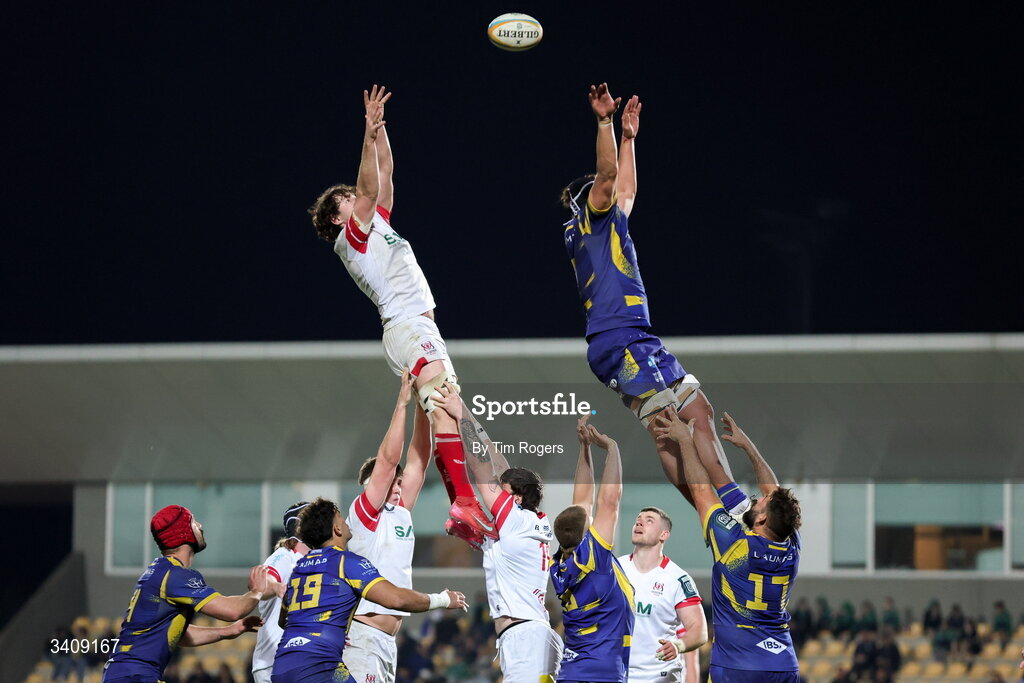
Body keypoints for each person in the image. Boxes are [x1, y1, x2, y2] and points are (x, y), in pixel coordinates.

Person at [306, 85, 492, 541]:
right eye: (346, 199)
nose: (356, 198)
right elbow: (369, 185)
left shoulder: (377, 225)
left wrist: (379, 133)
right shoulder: (351, 237)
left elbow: (384, 172)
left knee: (441, 407)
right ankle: (465, 502)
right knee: (447, 399)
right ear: (336, 216)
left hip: (415, 327)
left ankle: (462, 505)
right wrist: (364, 135)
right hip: (407, 326)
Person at [560, 82, 750, 521]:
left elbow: (624, 191)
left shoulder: (606, 225)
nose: (610, 195)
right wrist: (605, 122)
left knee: (695, 407)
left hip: (638, 337)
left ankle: (734, 501)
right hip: (616, 342)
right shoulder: (588, 221)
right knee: (667, 427)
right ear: (585, 199)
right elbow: (609, 180)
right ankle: (713, 514)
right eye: (599, 190)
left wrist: (629, 140)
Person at [654, 409, 802, 683]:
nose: (756, 499)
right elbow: (775, 492)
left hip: (738, 665)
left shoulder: (733, 544)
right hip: (783, 664)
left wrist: (686, 441)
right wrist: (748, 447)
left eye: (760, 502)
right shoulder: (791, 545)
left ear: (763, 518)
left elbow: (700, 491)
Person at [432, 385, 563, 682]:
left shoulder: (514, 521)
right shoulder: (530, 522)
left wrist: (459, 414)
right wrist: (465, 409)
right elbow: (499, 464)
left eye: (502, 494)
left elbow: (481, 467)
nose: (493, 503)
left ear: (515, 498)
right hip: (532, 632)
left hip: (524, 637)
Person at [271, 498, 468, 683]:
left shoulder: (300, 567)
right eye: (340, 516)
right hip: (319, 664)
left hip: (283, 664)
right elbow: (396, 599)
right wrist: (442, 600)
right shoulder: (346, 562)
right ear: (336, 528)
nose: (346, 521)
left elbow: (283, 620)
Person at [102, 505, 280, 683]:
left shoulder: (159, 571)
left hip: (124, 672)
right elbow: (232, 610)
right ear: (183, 533)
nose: (200, 525)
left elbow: (178, 634)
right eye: (193, 521)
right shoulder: (176, 575)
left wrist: (228, 630)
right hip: (135, 675)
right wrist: (258, 591)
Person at [344, 372, 434, 683]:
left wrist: (424, 408)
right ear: (371, 485)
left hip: (383, 643)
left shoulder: (398, 514)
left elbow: (420, 460)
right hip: (361, 638)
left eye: (399, 481)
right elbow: (387, 459)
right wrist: (403, 403)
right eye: (392, 481)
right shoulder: (365, 514)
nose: (399, 485)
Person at [550, 417, 634, 683]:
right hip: (604, 671)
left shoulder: (560, 563)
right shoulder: (594, 558)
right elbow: (609, 502)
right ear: (587, 534)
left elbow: (582, 503)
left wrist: (584, 449)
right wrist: (612, 448)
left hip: (571, 670)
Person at [619, 506, 708, 683]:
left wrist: (678, 645)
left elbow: (699, 631)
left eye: (649, 520)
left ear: (663, 535)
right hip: (618, 674)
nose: (639, 522)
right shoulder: (615, 568)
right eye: (638, 519)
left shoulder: (677, 579)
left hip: (659, 677)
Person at [251, 501, 311, 683]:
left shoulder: (318, 562)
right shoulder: (286, 556)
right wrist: (277, 587)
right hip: (274, 662)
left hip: (302, 662)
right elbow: (263, 580)